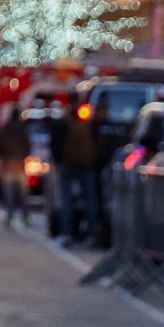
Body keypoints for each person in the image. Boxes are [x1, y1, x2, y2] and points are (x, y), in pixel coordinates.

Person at [54, 102, 99, 243]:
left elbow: (55, 143)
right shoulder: (89, 123)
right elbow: (97, 143)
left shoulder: (63, 122)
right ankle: (92, 234)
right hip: (87, 165)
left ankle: (66, 233)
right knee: (90, 200)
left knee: (66, 200)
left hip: (68, 164)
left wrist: (59, 161)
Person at [0, 103, 33, 228]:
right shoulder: (23, 130)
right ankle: (26, 217)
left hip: (7, 165)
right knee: (23, 194)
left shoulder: (4, 130)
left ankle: (10, 216)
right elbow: (28, 147)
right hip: (20, 165)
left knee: (9, 194)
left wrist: (1, 160)